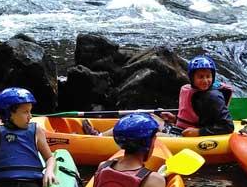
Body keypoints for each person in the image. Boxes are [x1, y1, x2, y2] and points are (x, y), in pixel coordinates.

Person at [82, 55, 234, 138]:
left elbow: (227, 126)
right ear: (192, 78)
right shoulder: (194, 92)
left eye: (208, 76)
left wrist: (199, 132)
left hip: (187, 137)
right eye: (201, 77)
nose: (205, 80)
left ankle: (100, 138)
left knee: (143, 129)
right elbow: (196, 116)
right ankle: (100, 136)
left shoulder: (213, 98)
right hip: (178, 129)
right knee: (141, 115)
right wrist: (175, 118)